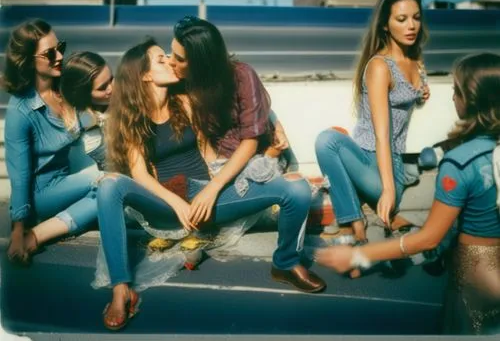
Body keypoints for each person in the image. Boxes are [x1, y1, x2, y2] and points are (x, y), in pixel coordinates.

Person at [96, 38, 325, 331]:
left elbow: (222, 134)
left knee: (296, 188)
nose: (169, 60)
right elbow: (139, 174)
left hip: (207, 197)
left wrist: (271, 128)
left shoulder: (186, 101)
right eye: (160, 58)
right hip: (167, 203)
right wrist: (176, 203)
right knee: (109, 185)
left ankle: (286, 262)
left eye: (168, 56)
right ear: (145, 75)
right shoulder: (131, 117)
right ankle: (121, 288)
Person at [316, 52, 500, 335]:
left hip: (477, 274)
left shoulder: (459, 163)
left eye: (456, 91)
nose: (453, 97)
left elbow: (428, 240)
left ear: (471, 100)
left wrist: (359, 255)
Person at [313, 0, 430, 276]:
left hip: (386, 167)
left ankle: (356, 226)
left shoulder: (416, 61)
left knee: (326, 140)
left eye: (415, 18)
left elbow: (386, 134)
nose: (411, 25)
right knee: (331, 139)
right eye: (401, 19)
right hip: (378, 164)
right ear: (385, 25)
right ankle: (357, 224)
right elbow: (381, 132)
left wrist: (421, 94)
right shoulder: (379, 66)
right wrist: (389, 189)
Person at [2, 19, 101, 264]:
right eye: (49, 53)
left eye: (61, 47)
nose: (59, 56)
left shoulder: (65, 88)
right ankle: (33, 235)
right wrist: (17, 230)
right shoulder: (21, 111)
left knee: (109, 193)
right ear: (28, 61)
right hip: (41, 195)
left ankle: (46, 230)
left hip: (68, 181)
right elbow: (20, 176)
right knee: (102, 179)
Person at [60, 51, 113, 170]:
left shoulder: (120, 102)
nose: (111, 88)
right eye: (103, 88)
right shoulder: (82, 124)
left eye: (111, 79)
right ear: (82, 94)